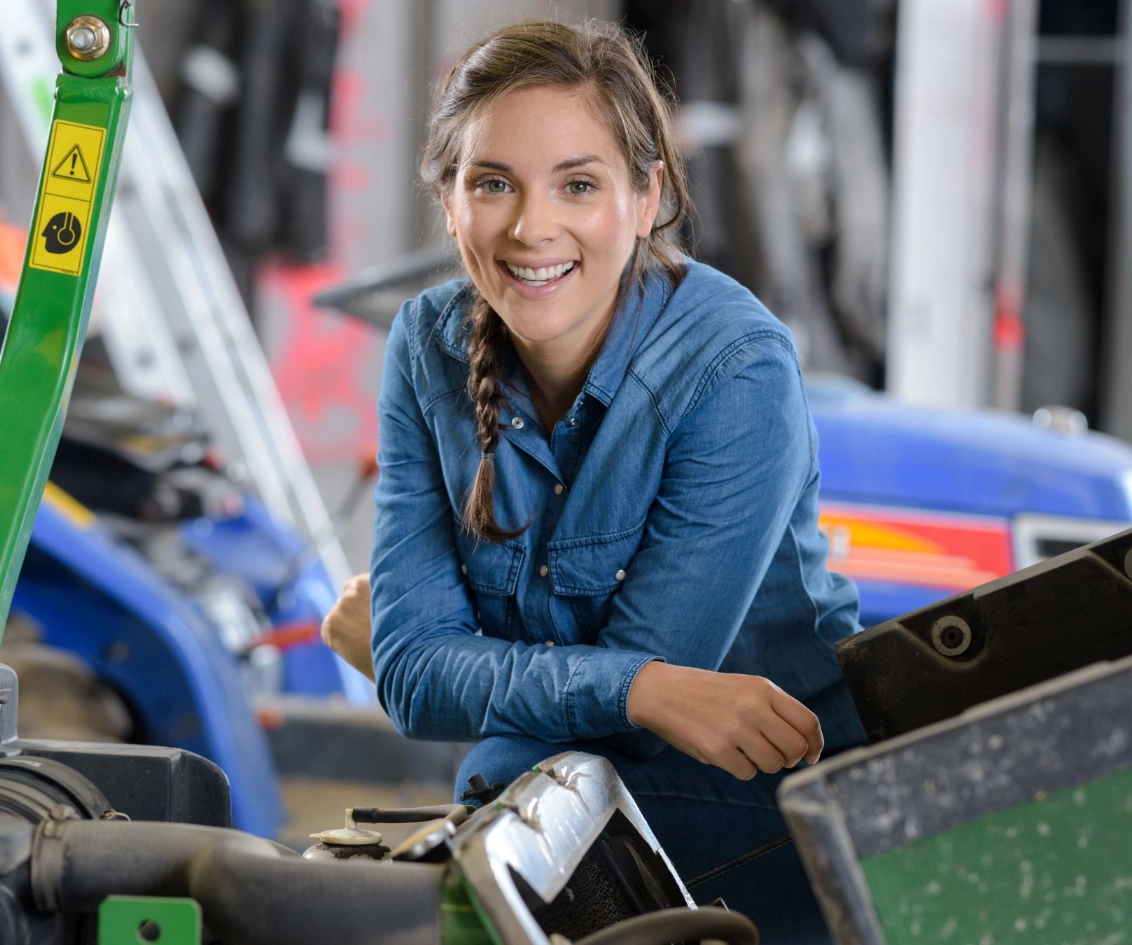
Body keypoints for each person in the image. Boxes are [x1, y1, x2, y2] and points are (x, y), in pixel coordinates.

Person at [320, 19, 863, 941]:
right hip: (589, 810)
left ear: (647, 197)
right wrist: (641, 685)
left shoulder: (733, 366)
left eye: (579, 184)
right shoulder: (426, 343)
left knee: (505, 769)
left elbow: (603, 735)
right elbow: (416, 676)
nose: (533, 227)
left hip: (782, 823)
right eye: (493, 183)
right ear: (448, 201)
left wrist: (463, 667)